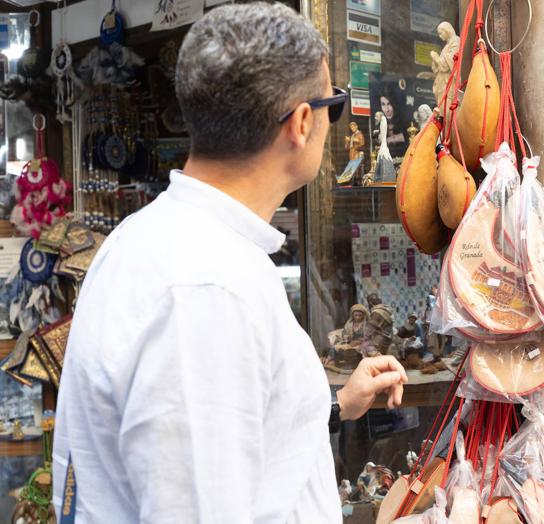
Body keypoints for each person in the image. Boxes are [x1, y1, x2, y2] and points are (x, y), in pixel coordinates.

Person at [52, 4, 408, 523]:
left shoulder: (165, 243)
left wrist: (329, 407)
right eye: (333, 105)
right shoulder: (204, 289)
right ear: (302, 123)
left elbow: (219, 442)